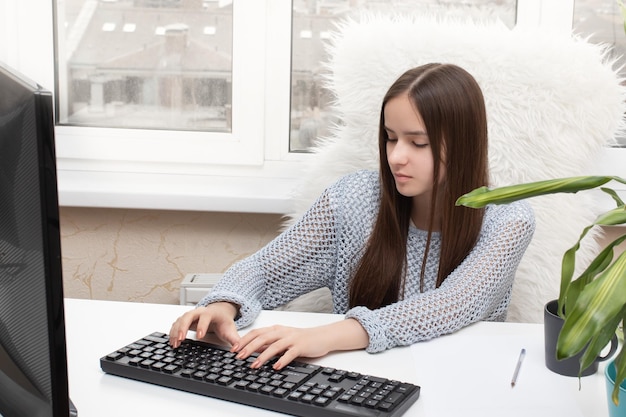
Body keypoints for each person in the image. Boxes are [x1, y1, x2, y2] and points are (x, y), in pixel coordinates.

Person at [169, 63, 535, 371]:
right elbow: (266, 268)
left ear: (462, 144)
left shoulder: (508, 220)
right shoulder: (352, 199)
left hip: (459, 380)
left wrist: (323, 336)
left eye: (417, 143)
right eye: (391, 138)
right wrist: (225, 302)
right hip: (357, 382)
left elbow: (454, 303)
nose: (396, 157)